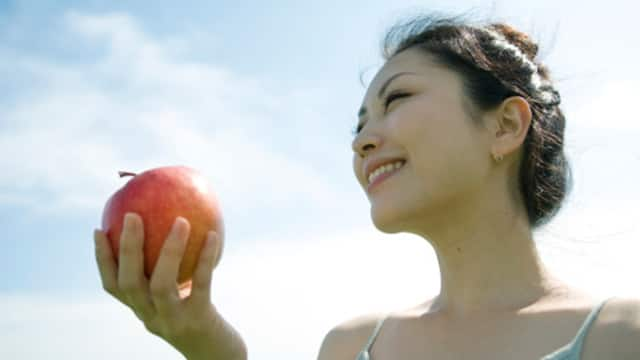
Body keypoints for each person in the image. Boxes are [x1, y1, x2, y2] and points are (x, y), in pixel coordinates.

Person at [94, 12, 640, 360]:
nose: (361, 142)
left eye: (396, 100)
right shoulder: (351, 347)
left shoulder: (620, 337)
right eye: (358, 126)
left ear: (505, 126)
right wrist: (211, 348)